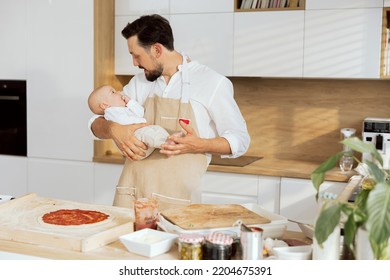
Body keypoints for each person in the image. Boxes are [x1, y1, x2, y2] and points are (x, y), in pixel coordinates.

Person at [89, 14, 250, 210]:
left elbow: (240, 140)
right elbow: (95, 122)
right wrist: (113, 129)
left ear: (157, 49)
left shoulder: (212, 83)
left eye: (136, 55)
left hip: (177, 204)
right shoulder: (139, 83)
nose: (134, 63)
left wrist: (199, 145)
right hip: (133, 199)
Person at [88, 84, 176, 159]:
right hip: (134, 141)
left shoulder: (125, 108)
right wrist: (113, 128)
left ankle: (169, 139)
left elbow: (140, 112)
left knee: (156, 129)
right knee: (149, 134)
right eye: (113, 92)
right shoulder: (110, 113)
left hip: (141, 136)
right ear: (104, 105)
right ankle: (167, 145)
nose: (119, 92)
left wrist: (130, 102)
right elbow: (94, 123)